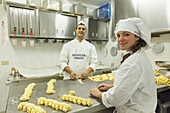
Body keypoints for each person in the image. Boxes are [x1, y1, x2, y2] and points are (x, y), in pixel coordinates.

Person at [90, 17, 157, 113]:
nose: (120, 39)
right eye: (118, 35)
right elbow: (133, 82)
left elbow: (116, 98)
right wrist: (113, 86)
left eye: (126, 34)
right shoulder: (138, 55)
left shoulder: (133, 62)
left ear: (137, 36)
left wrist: (100, 94)